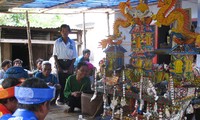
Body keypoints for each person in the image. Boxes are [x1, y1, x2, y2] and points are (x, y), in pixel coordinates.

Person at [53, 24, 77, 105]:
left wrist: (71, 67)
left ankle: (68, 99)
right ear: (60, 32)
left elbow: (74, 56)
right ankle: (61, 98)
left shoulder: (72, 42)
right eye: (63, 31)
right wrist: (58, 66)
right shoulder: (57, 42)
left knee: (69, 82)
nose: (65, 32)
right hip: (60, 63)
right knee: (61, 82)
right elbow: (55, 55)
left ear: (69, 32)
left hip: (69, 63)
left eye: (66, 30)